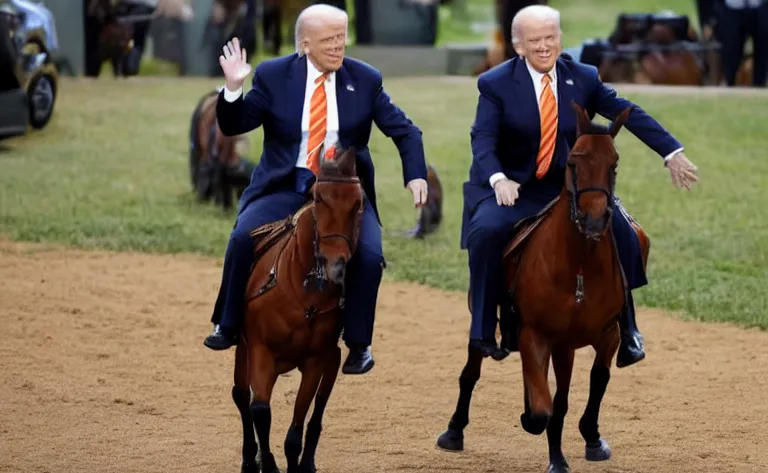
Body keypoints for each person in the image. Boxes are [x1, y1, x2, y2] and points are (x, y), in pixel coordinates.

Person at [461, 5, 700, 367]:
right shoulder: (495, 83)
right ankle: (483, 329)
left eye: (551, 38)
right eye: (535, 40)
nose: (545, 46)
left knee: (623, 232)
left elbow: (625, 111)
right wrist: (498, 179)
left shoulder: (583, 76)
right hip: (511, 188)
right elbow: (483, 138)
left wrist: (671, 152)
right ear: (518, 45)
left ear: (560, 39)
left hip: (566, 189)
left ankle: (628, 326)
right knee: (486, 231)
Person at [203, 4, 429, 376]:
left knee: (370, 257)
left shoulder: (365, 79)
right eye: (329, 40)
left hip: (342, 193)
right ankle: (226, 323)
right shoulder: (274, 75)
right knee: (243, 237)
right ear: (305, 44)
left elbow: (406, 130)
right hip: (286, 184)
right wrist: (232, 88)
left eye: (342, 37)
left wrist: (415, 175)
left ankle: (359, 344)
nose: (339, 46)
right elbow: (234, 124)